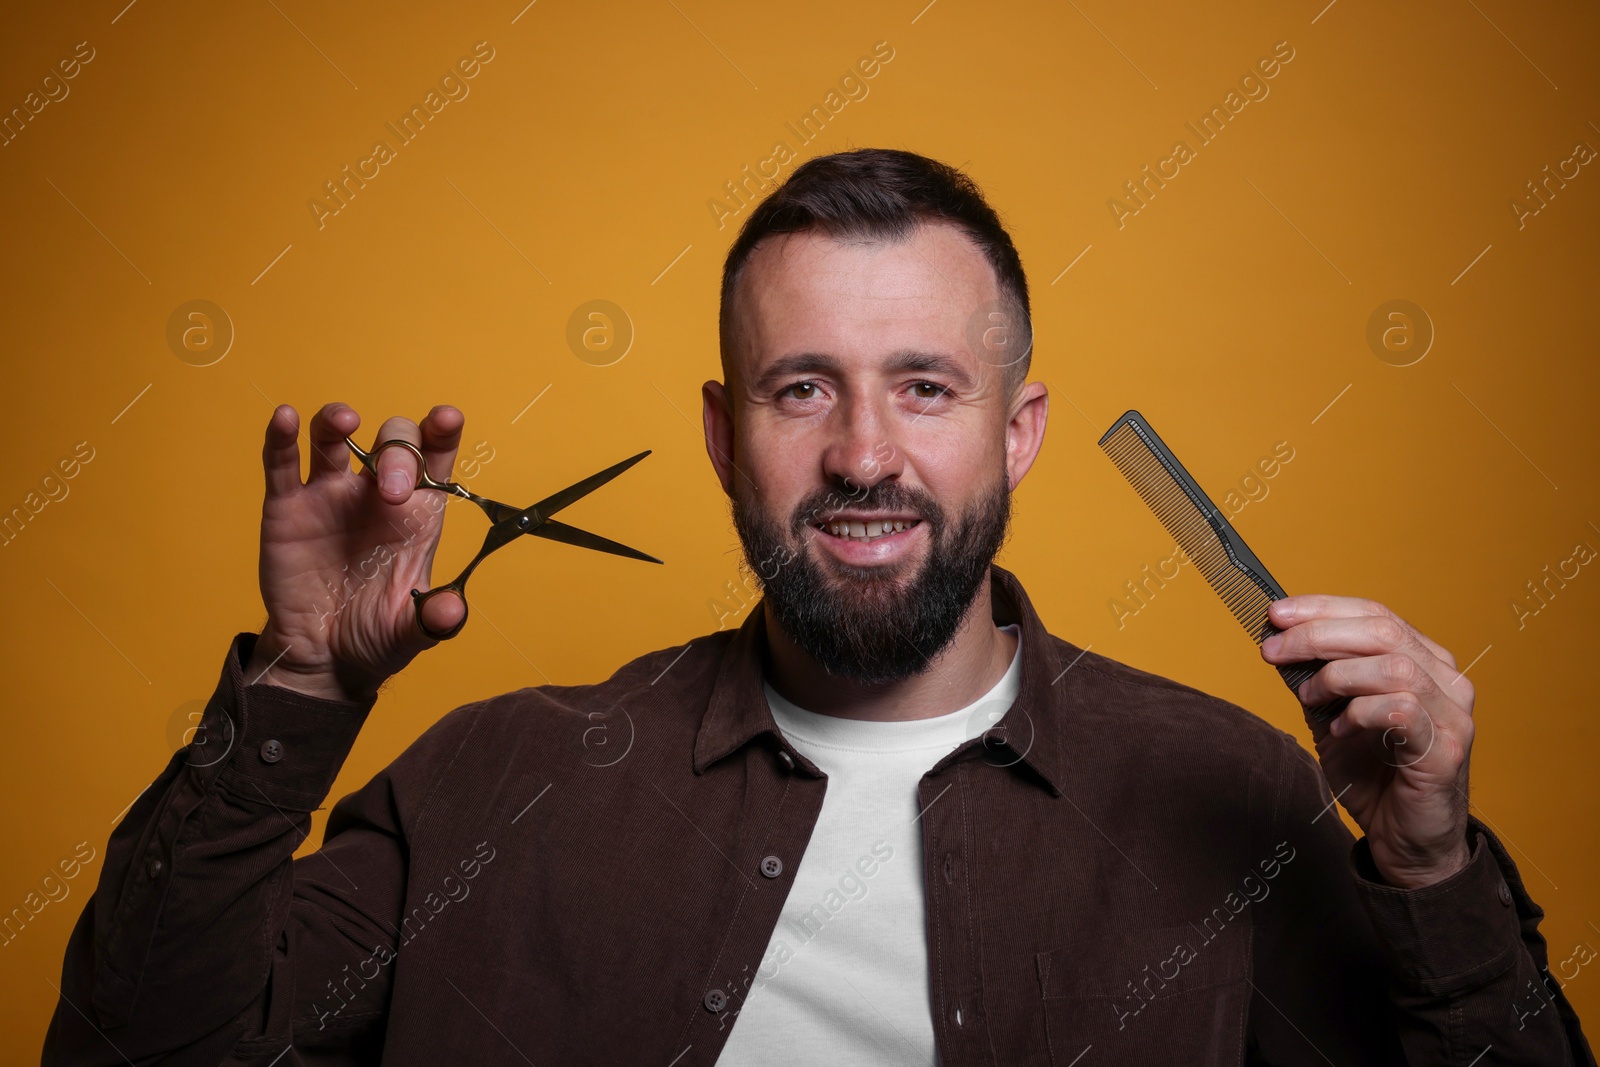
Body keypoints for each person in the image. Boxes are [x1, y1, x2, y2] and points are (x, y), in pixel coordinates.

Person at [43, 149, 1593, 1066]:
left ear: (1019, 429)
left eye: (926, 387)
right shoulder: (490, 782)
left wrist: (1431, 860)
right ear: (725, 434)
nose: (863, 455)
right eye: (804, 390)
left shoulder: (1231, 801)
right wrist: (302, 685)